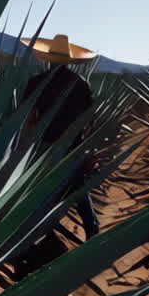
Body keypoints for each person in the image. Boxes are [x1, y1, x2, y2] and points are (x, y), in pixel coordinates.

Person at [19, 34, 100, 237]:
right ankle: (92, 231)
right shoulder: (81, 84)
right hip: (73, 146)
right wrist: (88, 152)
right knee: (78, 190)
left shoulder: (35, 82)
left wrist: (22, 149)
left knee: (37, 193)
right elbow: (88, 120)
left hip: (42, 146)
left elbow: (28, 119)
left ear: (48, 58)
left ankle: (32, 237)